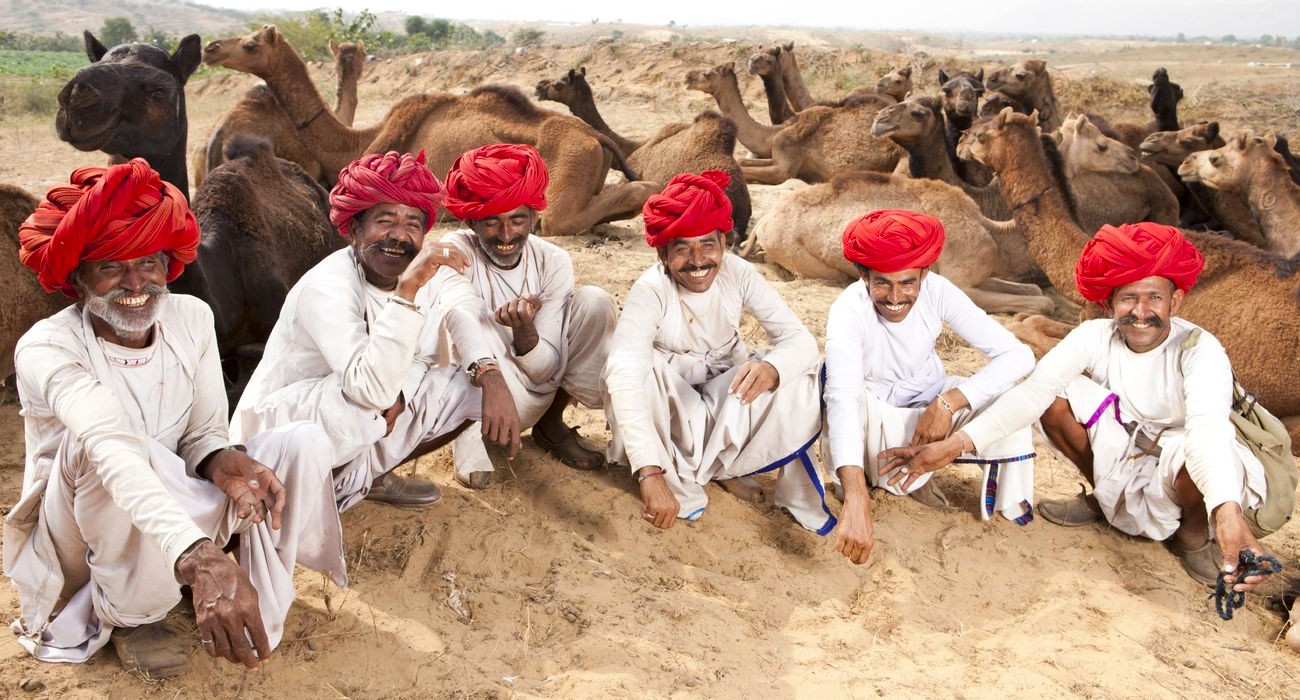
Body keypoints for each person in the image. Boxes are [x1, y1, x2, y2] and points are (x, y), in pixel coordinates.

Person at [6, 160, 344, 678]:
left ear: (168, 265)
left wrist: (218, 460)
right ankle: (134, 615)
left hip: (167, 508)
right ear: (79, 278)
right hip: (81, 533)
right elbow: (112, 446)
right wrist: (197, 554)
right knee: (98, 450)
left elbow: (204, 430)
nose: (135, 283)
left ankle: (223, 574)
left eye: (148, 264)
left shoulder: (189, 317)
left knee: (297, 441)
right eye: (111, 267)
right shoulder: (47, 348)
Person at [879, 222, 1274, 591]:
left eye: (1154, 298)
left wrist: (1228, 514)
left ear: (1177, 299)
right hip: (1126, 444)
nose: (1140, 313)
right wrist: (952, 448)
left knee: (1200, 449)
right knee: (1053, 396)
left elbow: (1206, 432)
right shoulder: (1093, 336)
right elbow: (1033, 393)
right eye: (1128, 299)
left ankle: (1191, 535)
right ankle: (1106, 500)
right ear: (1108, 304)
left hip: (1186, 451)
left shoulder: (1201, 349)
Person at [230, 151, 520, 510]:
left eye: (413, 224)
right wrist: (407, 293)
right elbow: (367, 388)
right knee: (365, 400)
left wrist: (484, 376)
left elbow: (423, 355)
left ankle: (367, 478)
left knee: (465, 387)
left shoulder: (417, 275)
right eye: (385, 221)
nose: (399, 236)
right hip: (279, 438)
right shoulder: (329, 285)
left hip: (351, 422)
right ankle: (292, 498)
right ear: (355, 229)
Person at [603, 170, 835, 533]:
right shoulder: (650, 290)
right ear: (663, 254)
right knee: (636, 371)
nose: (697, 261)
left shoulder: (739, 273)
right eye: (682, 248)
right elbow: (624, 371)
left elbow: (800, 341)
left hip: (726, 398)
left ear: (724, 245)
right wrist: (649, 473)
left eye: (707, 245)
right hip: (674, 412)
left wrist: (773, 368)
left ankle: (725, 468)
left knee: (802, 376)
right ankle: (674, 472)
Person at [825, 210, 1038, 565]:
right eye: (882, 283)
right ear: (863, 275)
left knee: (1011, 399)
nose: (895, 297)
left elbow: (1018, 356)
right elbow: (843, 398)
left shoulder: (938, 291)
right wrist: (857, 500)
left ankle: (986, 501)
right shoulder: (848, 309)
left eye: (907, 283)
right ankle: (863, 482)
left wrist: (949, 402)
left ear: (924, 274)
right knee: (833, 396)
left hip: (930, 402)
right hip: (871, 411)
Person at [435, 144, 616, 489]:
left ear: (534, 217)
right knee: (463, 317)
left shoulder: (553, 260)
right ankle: (468, 439)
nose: (506, 235)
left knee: (596, 301)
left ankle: (550, 424)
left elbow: (545, 369)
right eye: (491, 221)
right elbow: (457, 314)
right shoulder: (456, 249)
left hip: (535, 387)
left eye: (517, 219)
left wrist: (525, 331)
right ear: (471, 221)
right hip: (479, 389)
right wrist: (490, 374)